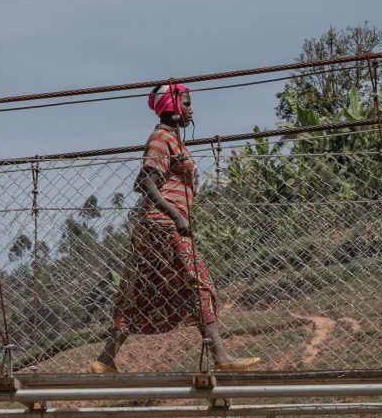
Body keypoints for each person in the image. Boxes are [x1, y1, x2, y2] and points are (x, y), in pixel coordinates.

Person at [90, 84, 260, 373]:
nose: (191, 109)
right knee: (200, 285)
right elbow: (146, 181)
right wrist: (176, 216)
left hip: (156, 226)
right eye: (187, 102)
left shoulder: (174, 140)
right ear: (171, 105)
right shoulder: (160, 138)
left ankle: (105, 360)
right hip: (163, 225)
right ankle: (221, 359)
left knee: (139, 293)